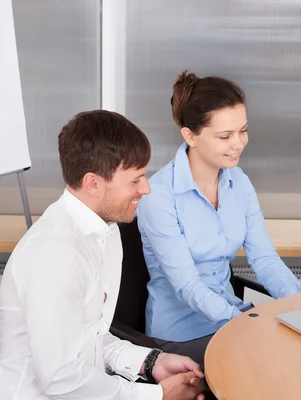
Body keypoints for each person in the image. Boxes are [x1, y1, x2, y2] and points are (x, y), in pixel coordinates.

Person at [0, 110, 205, 400]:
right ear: (93, 183)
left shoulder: (106, 230)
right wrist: (156, 396)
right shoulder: (55, 253)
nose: (146, 189)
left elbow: (90, 338)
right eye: (135, 180)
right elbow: (61, 380)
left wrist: (151, 362)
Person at [136, 72, 300, 365]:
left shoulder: (239, 182)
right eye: (225, 136)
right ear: (190, 136)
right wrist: (242, 321)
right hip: (180, 335)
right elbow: (188, 287)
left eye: (243, 131)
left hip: (229, 321)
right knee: (272, 364)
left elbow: (264, 259)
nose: (238, 144)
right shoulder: (159, 196)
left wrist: (298, 306)